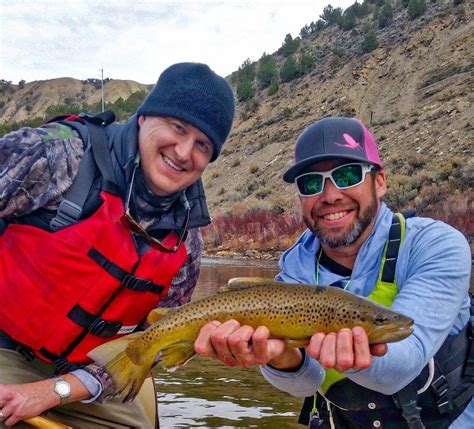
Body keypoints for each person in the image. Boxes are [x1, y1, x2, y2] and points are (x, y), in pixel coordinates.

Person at [194, 117, 473, 428]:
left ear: (379, 182)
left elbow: (402, 365)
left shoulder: (435, 245)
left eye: (347, 175)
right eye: (312, 183)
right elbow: (307, 383)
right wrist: (281, 358)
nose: (329, 195)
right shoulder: (293, 274)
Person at [0, 62, 235, 428]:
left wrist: (53, 391)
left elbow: (143, 352)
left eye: (203, 144)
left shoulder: (186, 244)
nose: (185, 151)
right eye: (178, 127)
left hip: (75, 378)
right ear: (144, 118)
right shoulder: (60, 155)